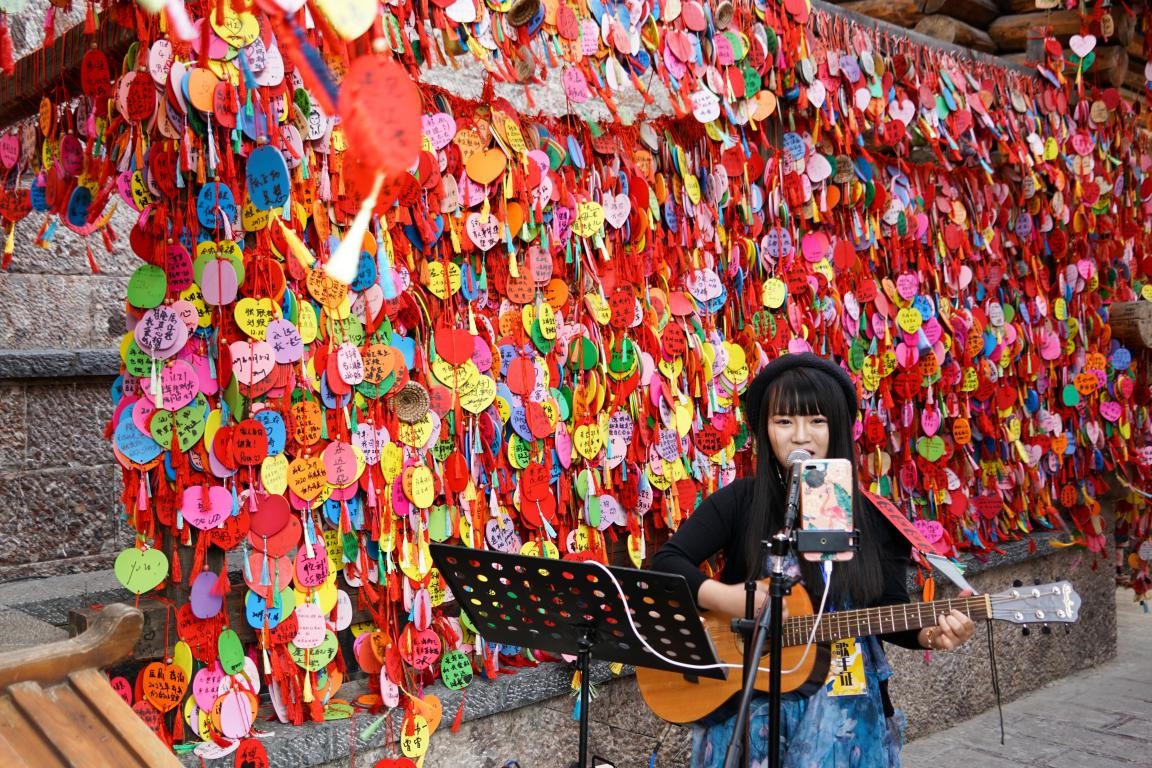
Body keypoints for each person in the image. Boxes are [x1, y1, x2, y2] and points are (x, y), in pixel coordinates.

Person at [651, 353, 976, 768]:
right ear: (766, 431)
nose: (800, 436)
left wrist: (930, 633)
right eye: (784, 422)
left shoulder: (873, 515)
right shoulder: (741, 501)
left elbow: (886, 607)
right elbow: (665, 564)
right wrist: (736, 601)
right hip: (752, 703)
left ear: (836, 428)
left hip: (845, 709)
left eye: (816, 421)